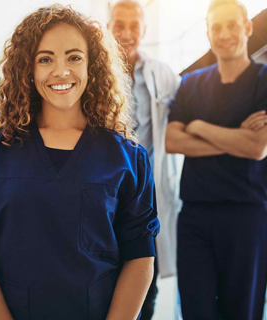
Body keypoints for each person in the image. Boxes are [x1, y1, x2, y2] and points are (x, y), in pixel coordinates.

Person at [0, 4, 159, 320]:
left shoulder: (128, 157)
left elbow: (140, 257)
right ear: (27, 70)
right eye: (45, 59)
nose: (61, 71)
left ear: (93, 66)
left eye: (74, 57)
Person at [166, 1, 267, 319]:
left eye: (232, 25)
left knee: (242, 313)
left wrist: (198, 127)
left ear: (247, 27)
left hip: (247, 217)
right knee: (195, 312)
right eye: (216, 27)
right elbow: (171, 140)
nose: (225, 34)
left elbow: (257, 147)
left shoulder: (263, 80)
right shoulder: (192, 84)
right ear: (208, 33)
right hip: (195, 218)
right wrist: (235, 137)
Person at [108, 1, 183, 318]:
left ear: (144, 29)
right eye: (119, 25)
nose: (126, 33)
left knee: (144, 283)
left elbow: (185, 118)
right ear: (108, 25)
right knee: (106, 276)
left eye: (134, 26)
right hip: (106, 193)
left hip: (146, 197)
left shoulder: (161, 74)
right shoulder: (93, 71)